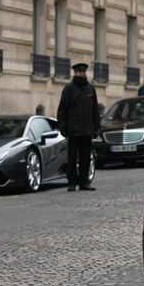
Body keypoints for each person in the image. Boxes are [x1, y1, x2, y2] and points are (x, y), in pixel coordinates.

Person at [57, 62, 100, 192]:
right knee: (72, 158)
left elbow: (95, 111)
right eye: (80, 71)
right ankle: (71, 182)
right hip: (74, 130)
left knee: (85, 158)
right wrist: (63, 128)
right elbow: (62, 110)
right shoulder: (69, 88)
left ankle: (84, 182)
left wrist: (96, 128)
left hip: (87, 131)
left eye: (84, 71)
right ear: (75, 73)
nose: (82, 73)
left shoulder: (90, 89)